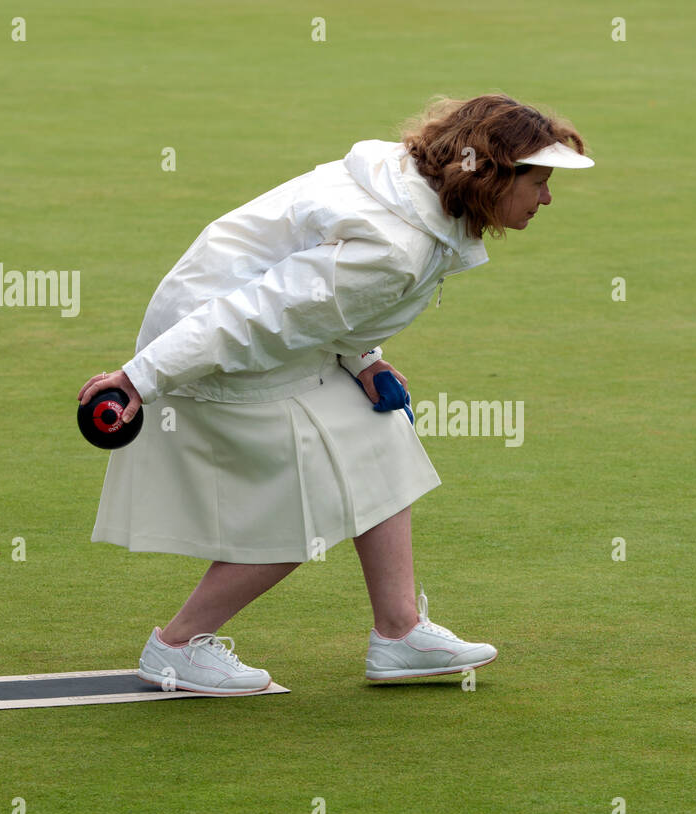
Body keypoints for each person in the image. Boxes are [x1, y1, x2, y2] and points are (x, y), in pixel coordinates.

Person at [77, 93, 593, 693]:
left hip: (246, 336)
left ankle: (399, 635)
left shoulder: (411, 190)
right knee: (312, 503)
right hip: (214, 350)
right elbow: (260, 314)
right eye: (539, 182)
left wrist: (363, 359)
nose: (547, 198)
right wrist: (141, 377)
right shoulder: (395, 248)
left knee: (379, 433)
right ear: (493, 176)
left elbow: (319, 303)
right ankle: (176, 648)